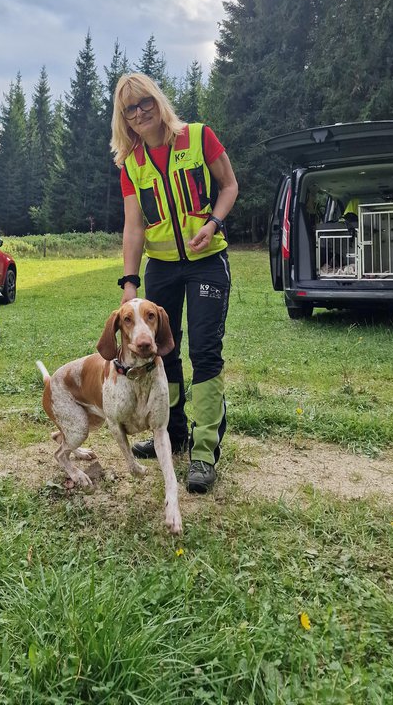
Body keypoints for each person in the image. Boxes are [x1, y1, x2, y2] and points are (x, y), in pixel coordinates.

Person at [110, 72, 239, 494]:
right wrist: (130, 281)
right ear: (124, 118)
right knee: (165, 349)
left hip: (206, 262)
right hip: (161, 267)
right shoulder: (132, 163)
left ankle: (203, 452)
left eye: (145, 101)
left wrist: (215, 221)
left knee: (205, 352)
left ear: (157, 99)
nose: (140, 112)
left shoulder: (200, 137)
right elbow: (133, 226)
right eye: (130, 108)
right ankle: (175, 430)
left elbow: (229, 185)